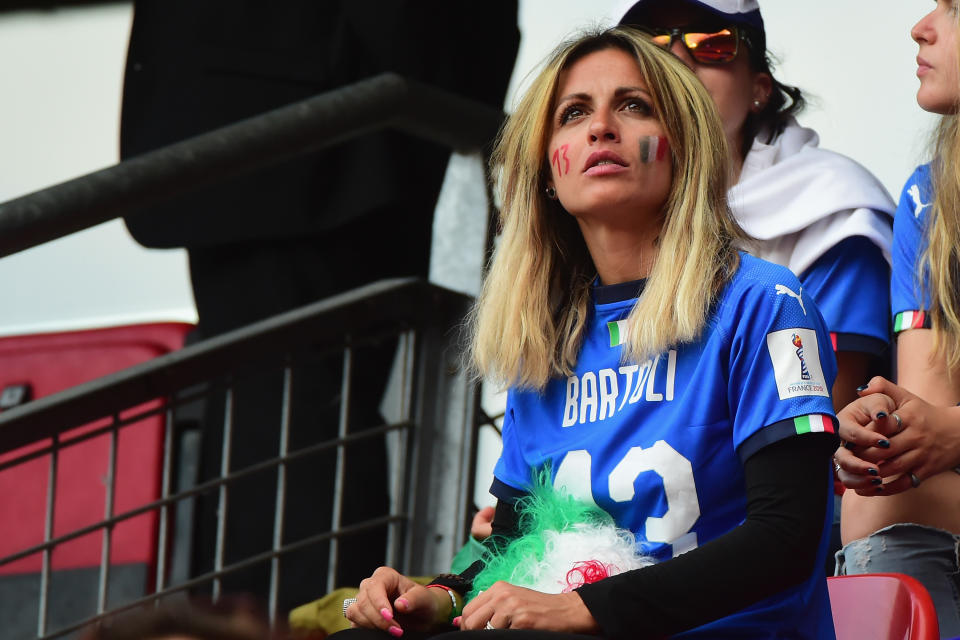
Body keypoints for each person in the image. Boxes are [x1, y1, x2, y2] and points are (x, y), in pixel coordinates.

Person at [339, 27, 840, 639]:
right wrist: (439, 596)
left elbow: (787, 537)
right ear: (548, 171)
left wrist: (587, 608)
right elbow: (513, 544)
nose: (601, 127)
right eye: (574, 114)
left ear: (683, 146)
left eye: (634, 106)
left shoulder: (763, 302)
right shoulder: (544, 340)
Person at [119, 0, 519, 609]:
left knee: (293, 423)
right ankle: (283, 615)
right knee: (278, 420)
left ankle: (291, 617)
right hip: (312, 120)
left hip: (322, 124)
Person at [616, 0, 895, 411]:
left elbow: (820, 420)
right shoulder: (600, 216)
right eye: (648, 47)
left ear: (760, 88)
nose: (675, 58)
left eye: (712, 42)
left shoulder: (835, 213)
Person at [834, 2, 960, 636]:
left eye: (956, 8)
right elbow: (929, 407)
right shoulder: (931, 193)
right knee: (876, 499)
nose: (922, 26)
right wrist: (881, 433)